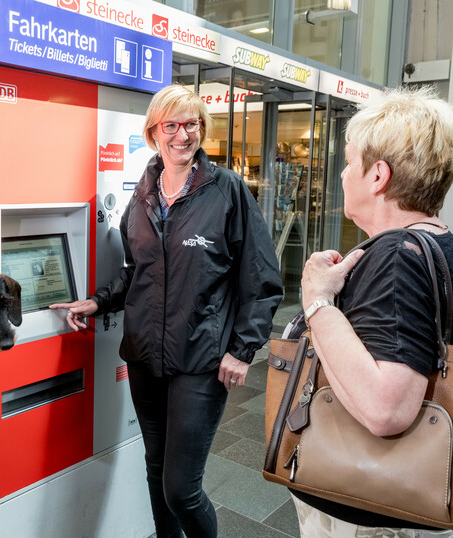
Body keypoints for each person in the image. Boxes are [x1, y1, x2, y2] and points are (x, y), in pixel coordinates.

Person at [50, 84, 283, 537]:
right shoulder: (141, 197)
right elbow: (137, 271)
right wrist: (98, 300)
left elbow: (261, 278)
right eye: (171, 125)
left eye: (191, 124)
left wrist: (242, 348)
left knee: (182, 489)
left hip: (201, 358)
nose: (182, 135)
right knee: (155, 473)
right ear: (153, 132)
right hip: (145, 357)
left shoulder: (227, 191)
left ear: (202, 129)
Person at [291, 86, 453, 537]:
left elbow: (387, 408)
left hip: (374, 511)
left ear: (378, 175)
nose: (342, 175)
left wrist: (317, 301)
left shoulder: (398, 256)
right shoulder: (438, 245)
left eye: (348, 161)